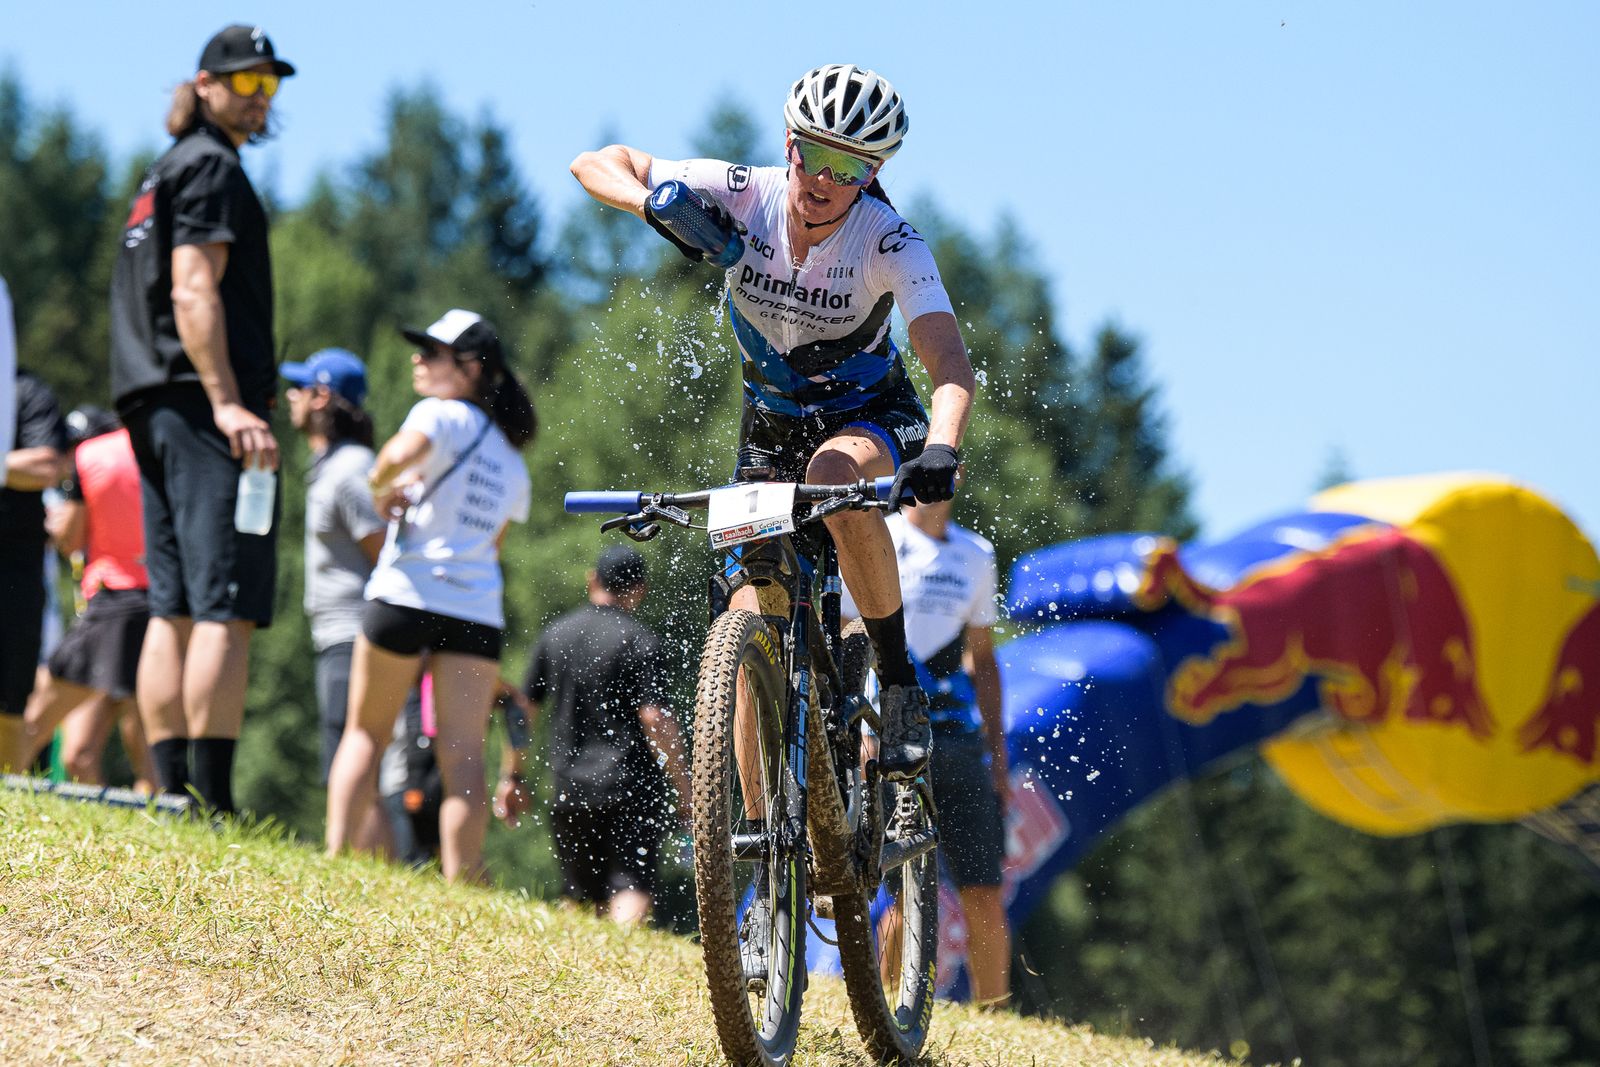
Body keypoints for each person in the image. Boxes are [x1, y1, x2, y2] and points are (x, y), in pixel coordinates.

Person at [570, 63, 977, 782]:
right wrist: (654, 206)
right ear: (787, 142)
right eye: (811, 153)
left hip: (871, 417)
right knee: (749, 614)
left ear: (873, 172)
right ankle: (758, 863)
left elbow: (948, 362)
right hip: (769, 428)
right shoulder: (742, 194)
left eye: (847, 167)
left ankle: (898, 678)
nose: (822, 178)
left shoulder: (890, 243)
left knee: (831, 476)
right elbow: (594, 162)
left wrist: (942, 447)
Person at [107, 25, 296, 814]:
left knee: (174, 599)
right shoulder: (213, 167)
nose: (258, 100)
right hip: (200, 400)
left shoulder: (161, 173)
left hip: (149, 398)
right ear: (205, 84)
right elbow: (193, 288)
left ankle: (169, 789)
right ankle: (210, 801)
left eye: (270, 86)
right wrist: (226, 401)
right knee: (226, 599)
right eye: (244, 83)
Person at [324, 309, 534, 882]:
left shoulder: (438, 415)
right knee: (464, 756)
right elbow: (493, 545)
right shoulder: (511, 461)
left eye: (430, 352)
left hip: (405, 594)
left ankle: (336, 864)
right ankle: (462, 882)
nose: (417, 360)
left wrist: (382, 491)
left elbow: (392, 457)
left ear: (468, 369)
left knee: (365, 732)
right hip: (474, 611)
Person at [843, 489, 1012, 1007]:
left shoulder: (976, 552)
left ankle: (995, 1013)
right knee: (899, 886)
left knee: (982, 887)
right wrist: (861, 731)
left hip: (958, 738)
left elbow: (982, 659)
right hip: (890, 733)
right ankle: (890, 1005)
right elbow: (852, 634)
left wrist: (997, 753)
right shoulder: (880, 535)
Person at [497, 545, 692, 925]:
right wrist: (686, 791)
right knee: (631, 888)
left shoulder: (556, 635)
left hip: (569, 788)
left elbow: (522, 713)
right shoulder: (640, 640)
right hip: (629, 788)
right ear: (639, 589)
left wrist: (512, 777)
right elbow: (654, 719)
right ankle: (619, 966)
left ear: (592, 580)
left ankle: (582, 970)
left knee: (579, 897)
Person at [281, 348, 393, 847]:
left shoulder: (350, 469)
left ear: (322, 397)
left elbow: (385, 555)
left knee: (352, 766)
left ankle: (370, 877)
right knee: (351, 764)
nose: (290, 396)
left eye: (300, 387)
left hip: (355, 633)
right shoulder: (335, 466)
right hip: (337, 633)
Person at [18, 407, 155, 791]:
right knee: (89, 753)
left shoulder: (92, 462)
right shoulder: (143, 460)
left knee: (31, 723)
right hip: (153, 609)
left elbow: (70, 540)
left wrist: (64, 524)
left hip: (112, 609)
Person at [0, 369, 67, 770]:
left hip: (14, 565)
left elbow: (45, 465)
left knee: (11, 693)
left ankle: (6, 801)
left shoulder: (26, 390)